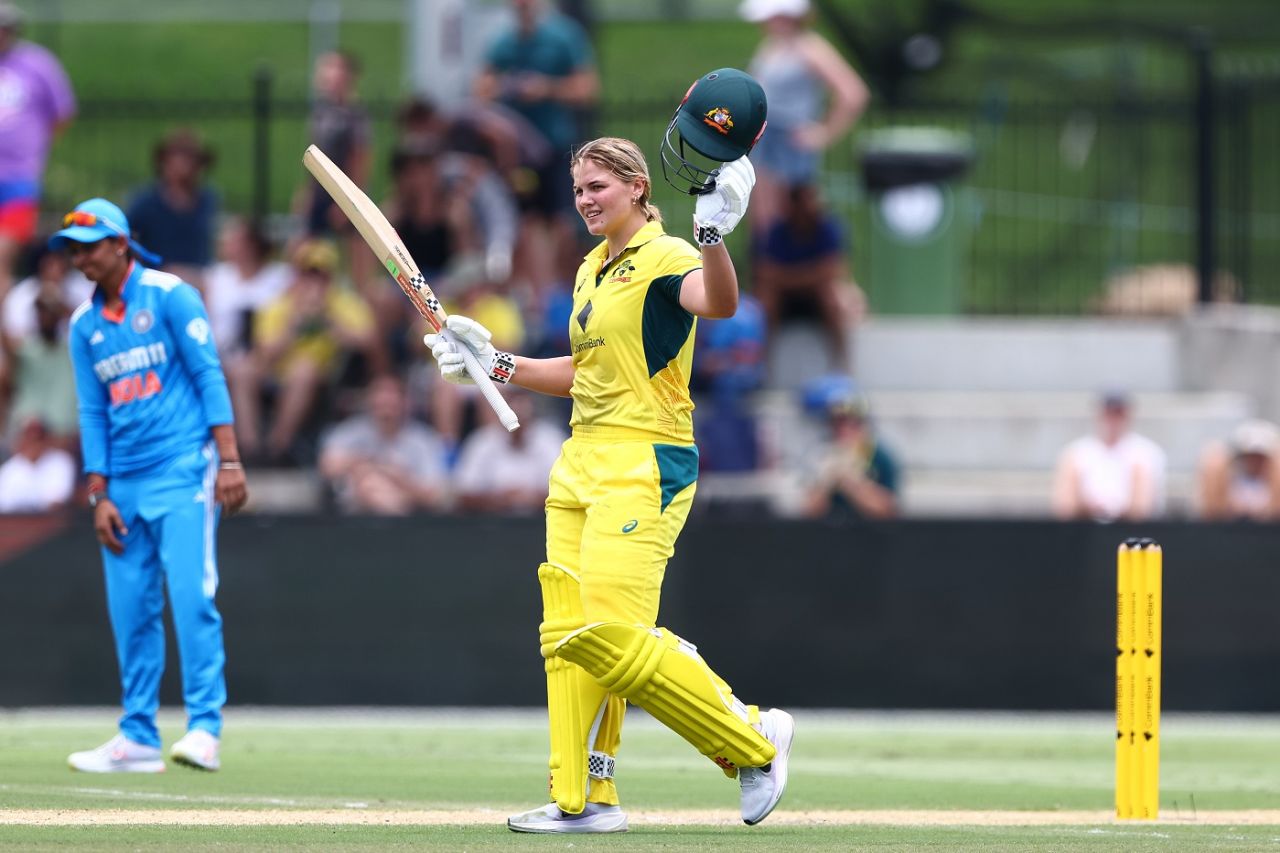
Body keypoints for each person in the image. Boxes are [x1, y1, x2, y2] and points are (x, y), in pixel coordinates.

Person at [425, 70, 792, 835]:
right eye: (578, 189)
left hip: (646, 460)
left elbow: (716, 303)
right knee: (566, 637)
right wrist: (493, 364)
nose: (585, 199)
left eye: (598, 186)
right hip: (581, 459)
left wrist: (715, 234)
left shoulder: (663, 256)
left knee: (614, 639)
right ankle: (585, 798)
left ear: (635, 186)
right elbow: (585, 374)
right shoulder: (592, 268)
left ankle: (753, 739)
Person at [53, 197, 247, 773]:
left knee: (191, 597)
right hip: (124, 487)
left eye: (89, 248)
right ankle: (136, 736)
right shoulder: (83, 325)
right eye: (72, 250)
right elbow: (92, 413)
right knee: (130, 610)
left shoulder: (169, 295)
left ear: (120, 244)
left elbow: (208, 373)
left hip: (183, 467)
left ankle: (204, 729)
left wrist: (230, 460)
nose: (79, 260)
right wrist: (98, 493)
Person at [473, 0, 600, 296]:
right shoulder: (503, 42)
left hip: (555, 148)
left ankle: (561, 286)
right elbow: (482, 89)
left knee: (563, 222)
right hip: (519, 153)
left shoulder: (564, 37)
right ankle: (539, 292)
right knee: (526, 222)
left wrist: (547, 89)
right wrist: (506, 87)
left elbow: (587, 88)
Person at [241, 239, 380, 465]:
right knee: (242, 370)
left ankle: (279, 445)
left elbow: (369, 341)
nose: (313, 282)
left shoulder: (343, 303)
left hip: (323, 372)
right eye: (307, 274)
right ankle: (250, 447)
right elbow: (265, 353)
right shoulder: (279, 304)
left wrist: (329, 318)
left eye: (320, 275)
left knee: (303, 370)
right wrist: (295, 322)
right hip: (277, 367)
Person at [739, 0, 869, 234]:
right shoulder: (772, 46)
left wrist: (823, 134)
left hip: (788, 145)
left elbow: (853, 93)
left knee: (790, 222)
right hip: (765, 142)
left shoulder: (810, 48)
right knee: (763, 223)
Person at [0, 2, 76, 305]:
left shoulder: (37, 64)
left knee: (3, 253)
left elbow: (62, 113)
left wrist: (33, 146)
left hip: (19, 179)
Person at [755, 182, 864, 369]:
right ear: (793, 205)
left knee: (832, 298)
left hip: (814, 298)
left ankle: (841, 367)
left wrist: (788, 277)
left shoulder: (829, 229)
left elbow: (835, 271)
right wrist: (812, 275)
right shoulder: (776, 232)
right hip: (785, 299)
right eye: (809, 201)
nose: (815, 206)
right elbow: (765, 273)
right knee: (766, 299)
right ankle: (761, 366)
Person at [317, 374, 449, 515]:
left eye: (392, 397)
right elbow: (327, 466)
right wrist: (373, 467)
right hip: (352, 513)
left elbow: (435, 495)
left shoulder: (423, 440)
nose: (386, 402)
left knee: (373, 486)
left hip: (412, 510)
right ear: (369, 400)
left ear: (405, 402)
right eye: (380, 395)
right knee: (369, 483)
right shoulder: (350, 431)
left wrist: (400, 480)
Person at [126, 128, 219, 292]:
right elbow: (128, 239)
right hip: (156, 279)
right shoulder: (146, 201)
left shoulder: (207, 199)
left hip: (198, 280)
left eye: (190, 160)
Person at [1052, 392, 1166, 522]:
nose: (1112, 420)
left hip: (1131, 531)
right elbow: (1064, 507)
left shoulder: (1147, 453)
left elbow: (1142, 508)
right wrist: (1088, 507)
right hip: (1083, 531)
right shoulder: (1076, 452)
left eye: (1118, 414)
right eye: (1109, 413)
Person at [453, 388, 565, 514]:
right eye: (513, 403)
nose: (518, 410)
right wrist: (498, 499)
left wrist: (531, 498)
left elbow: (566, 492)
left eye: (522, 404)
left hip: (543, 521)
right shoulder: (482, 441)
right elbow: (464, 493)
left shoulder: (551, 439)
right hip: (490, 524)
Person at [803, 389, 900, 519]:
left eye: (851, 423)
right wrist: (827, 480)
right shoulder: (821, 454)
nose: (843, 430)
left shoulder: (880, 457)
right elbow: (809, 510)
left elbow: (888, 510)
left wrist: (850, 482)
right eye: (837, 424)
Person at [1197, 419, 1280, 521]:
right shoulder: (1230, 483)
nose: (1255, 461)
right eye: (1250, 456)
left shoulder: (1273, 485)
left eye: (1259, 457)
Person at [0, 415, 75, 512]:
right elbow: (4, 504)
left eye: (38, 438)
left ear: (47, 439)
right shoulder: (10, 467)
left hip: (49, 523)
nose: (33, 442)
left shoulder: (61, 461)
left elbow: (57, 502)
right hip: (15, 523)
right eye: (28, 437)